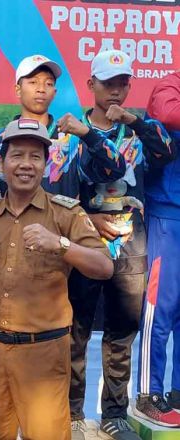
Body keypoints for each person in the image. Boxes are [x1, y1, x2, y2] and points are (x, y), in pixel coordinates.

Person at [0, 118, 113, 440]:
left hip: (44, 354)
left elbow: (104, 267)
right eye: (17, 155)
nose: (25, 165)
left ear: (45, 164)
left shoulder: (65, 214)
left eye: (35, 157)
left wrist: (61, 244)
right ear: (1, 162)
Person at [68, 50, 176, 439]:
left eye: (122, 83)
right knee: (76, 328)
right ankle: (72, 413)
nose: (115, 90)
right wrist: (86, 219)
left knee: (122, 330)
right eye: (107, 82)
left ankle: (114, 413)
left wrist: (134, 119)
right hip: (83, 238)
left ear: (130, 86)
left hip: (132, 239)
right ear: (90, 85)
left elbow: (167, 150)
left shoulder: (140, 132)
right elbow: (59, 193)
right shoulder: (71, 133)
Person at [0, 54, 124, 200]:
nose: (41, 89)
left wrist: (88, 134)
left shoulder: (72, 142)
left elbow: (115, 170)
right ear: (18, 89)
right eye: (33, 82)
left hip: (61, 223)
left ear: (54, 92)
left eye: (48, 83)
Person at [135, 69, 180, 427]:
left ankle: (177, 394)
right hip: (167, 214)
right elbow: (167, 114)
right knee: (158, 309)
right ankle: (148, 395)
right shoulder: (169, 85)